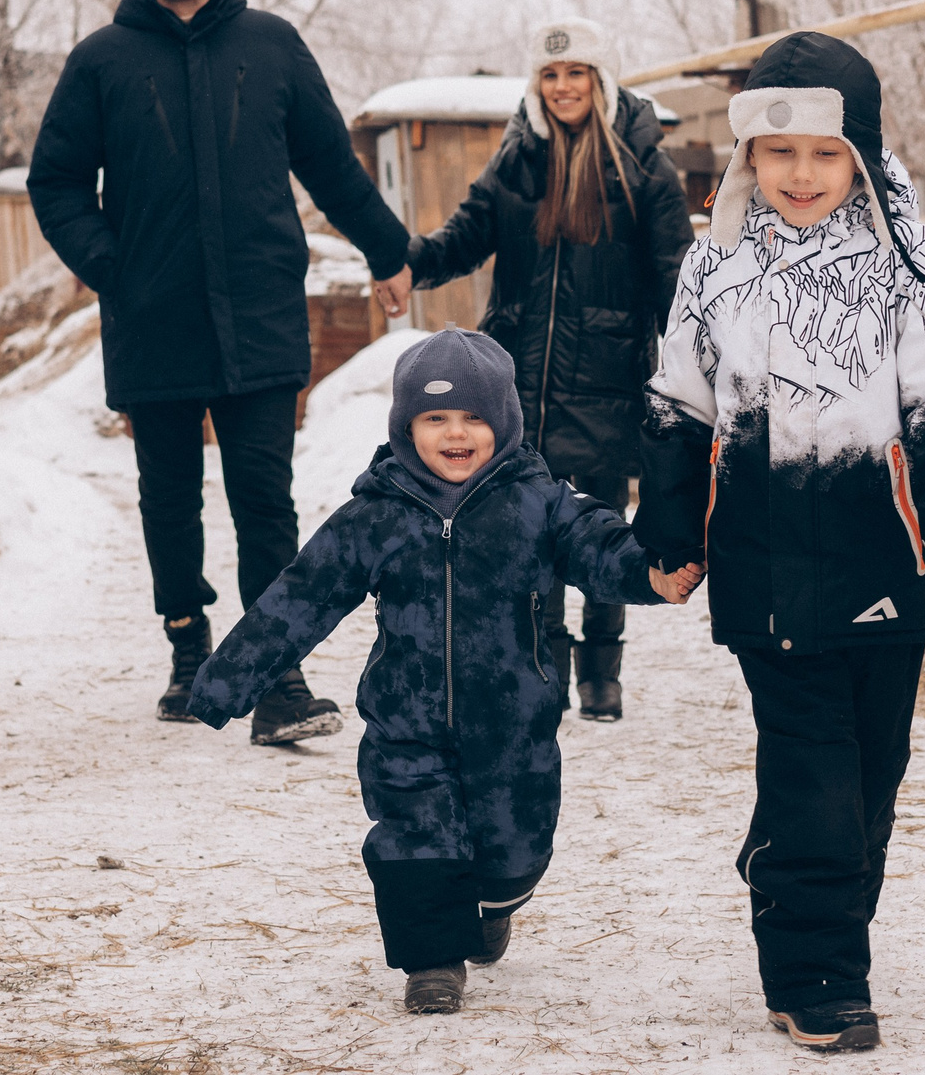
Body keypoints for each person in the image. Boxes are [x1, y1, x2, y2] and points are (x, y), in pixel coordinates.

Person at [634, 31, 925, 1052]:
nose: (800, 175)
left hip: (883, 560)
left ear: (862, 156)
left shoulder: (911, 265)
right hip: (764, 572)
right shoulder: (715, 265)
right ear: (749, 154)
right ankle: (818, 975)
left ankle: (795, 876)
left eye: (824, 153)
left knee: (869, 779)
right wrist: (669, 531)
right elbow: (679, 405)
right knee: (814, 780)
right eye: (778, 150)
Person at [185, 328, 696, 1014]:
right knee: (413, 841)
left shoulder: (540, 502)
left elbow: (602, 543)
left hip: (513, 729)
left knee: (514, 851)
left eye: (474, 417)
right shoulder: (376, 514)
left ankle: (495, 903)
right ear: (406, 425)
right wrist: (227, 679)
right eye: (435, 418)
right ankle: (431, 960)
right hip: (405, 724)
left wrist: (653, 571)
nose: (456, 433)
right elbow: (299, 597)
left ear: (505, 423)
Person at [28, 0, 415, 745]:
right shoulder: (101, 61)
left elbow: (330, 163)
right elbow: (53, 182)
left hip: (260, 312)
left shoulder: (269, 45)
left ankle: (276, 675)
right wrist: (110, 266)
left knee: (263, 501)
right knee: (168, 500)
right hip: (152, 316)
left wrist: (388, 251)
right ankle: (186, 644)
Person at [406, 19, 694, 720]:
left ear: (600, 79)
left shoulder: (641, 165)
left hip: (607, 378)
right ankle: (545, 667)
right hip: (520, 381)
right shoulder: (517, 161)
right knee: (531, 536)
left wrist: (695, 372)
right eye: (551, 75)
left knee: (599, 528)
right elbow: (464, 236)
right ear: (538, 86)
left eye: (576, 73)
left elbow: (676, 279)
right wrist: (401, 259)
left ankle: (602, 674)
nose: (563, 86)